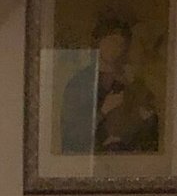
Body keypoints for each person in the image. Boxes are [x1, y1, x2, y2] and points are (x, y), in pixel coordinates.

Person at [58, 13, 160, 157]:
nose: (116, 48)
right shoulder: (80, 83)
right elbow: (71, 136)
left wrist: (147, 118)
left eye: (121, 44)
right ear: (99, 42)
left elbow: (151, 130)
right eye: (111, 41)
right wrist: (103, 110)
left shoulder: (132, 82)